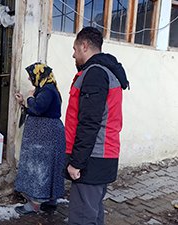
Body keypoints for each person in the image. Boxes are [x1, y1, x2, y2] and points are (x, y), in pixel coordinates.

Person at [65, 27, 129, 225]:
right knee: (93, 212)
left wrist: (77, 162)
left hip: (93, 157)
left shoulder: (95, 74)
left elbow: (89, 122)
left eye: (75, 49)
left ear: (84, 46)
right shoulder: (105, 71)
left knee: (83, 216)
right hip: (101, 155)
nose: (73, 54)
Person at [14, 62, 66, 214]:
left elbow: (36, 108)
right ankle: (50, 202)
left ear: (39, 75)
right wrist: (23, 102)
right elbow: (38, 109)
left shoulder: (47, 90)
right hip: (46, 134)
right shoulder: (46, 89)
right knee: (49, 167)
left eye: (31, 76)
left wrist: (29, 97)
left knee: (38, 168)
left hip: (44, 135)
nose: (29, 79)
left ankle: (34, 204)